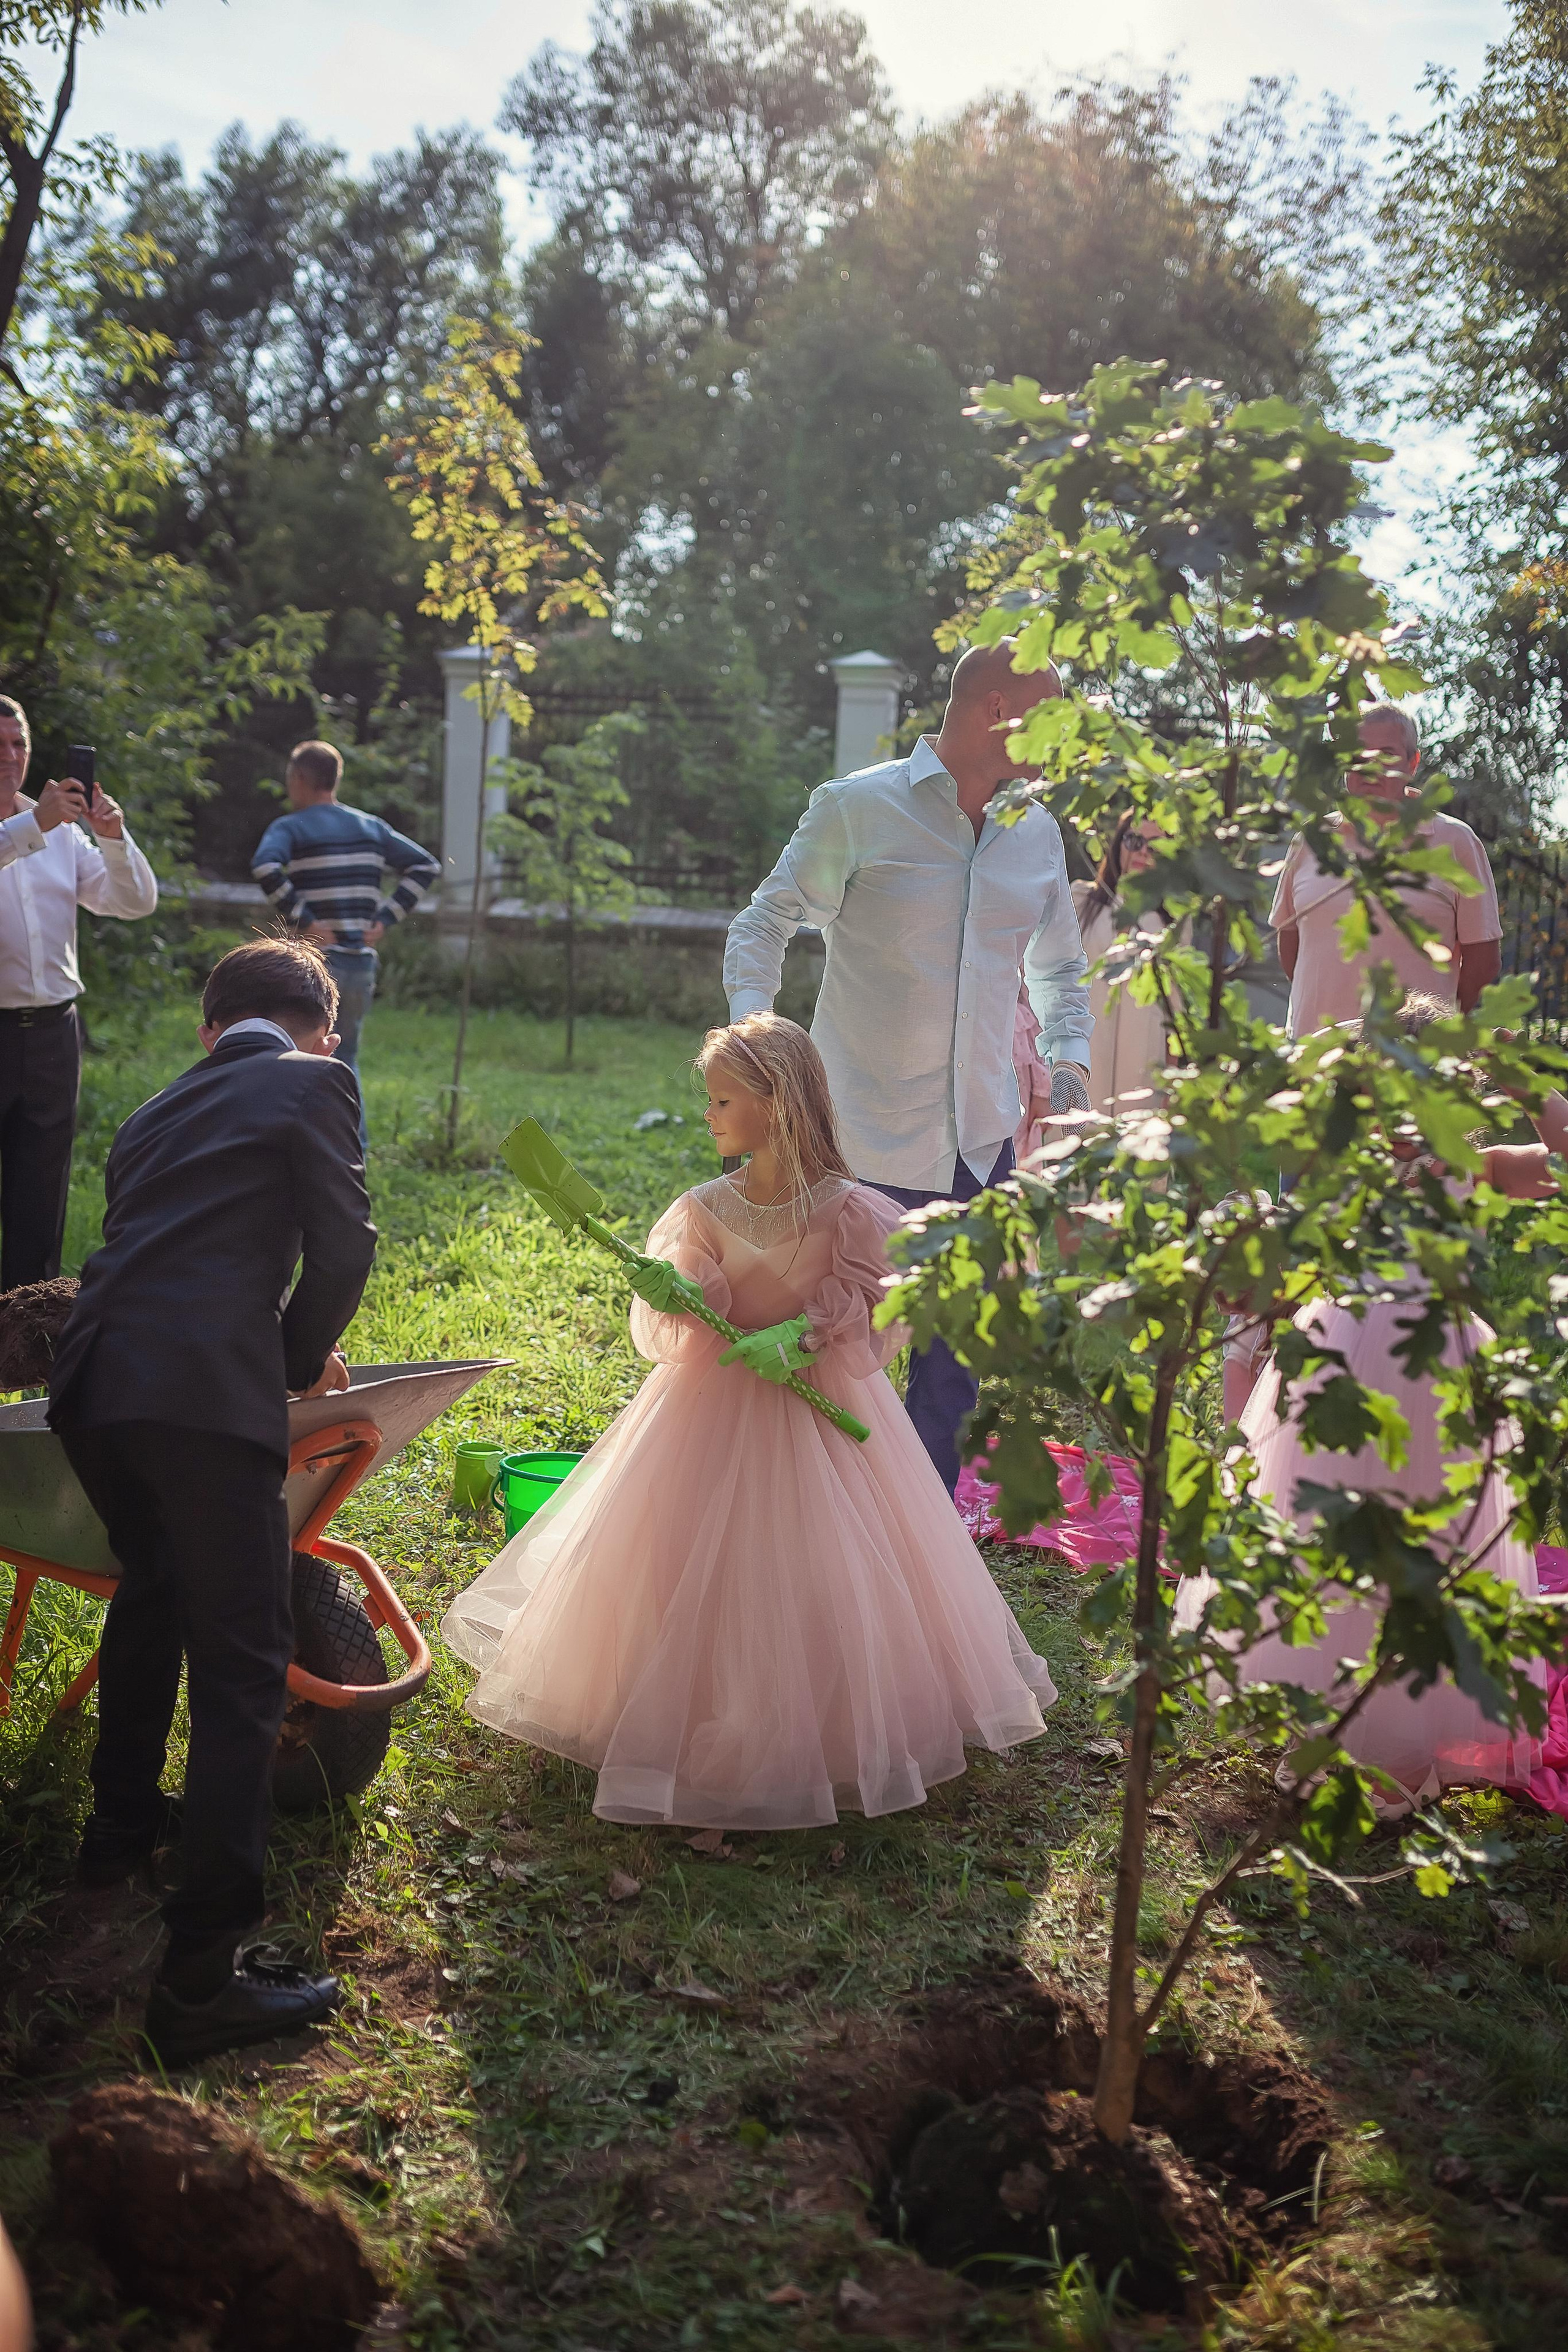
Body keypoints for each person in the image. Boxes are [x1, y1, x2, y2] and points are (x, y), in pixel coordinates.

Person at [442, 1014, 1056, 1828]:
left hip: (822, 1422)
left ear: (778, 1103)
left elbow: (884, 1302)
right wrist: (676, 1292)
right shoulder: (701, 1208)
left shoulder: (851, 1211)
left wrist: (801, 1336)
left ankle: (827, 1719)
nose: (709, 1115)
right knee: (678, 1553)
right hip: (705, 1410)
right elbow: (684, 1303)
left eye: (723, 1100)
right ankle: (672, 1704)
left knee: (820, 1560)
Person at [47, 938, 377, 2064]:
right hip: (200, 1394)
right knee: (243, 1665)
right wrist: (289, 1364)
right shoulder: (317, 1080)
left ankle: (117, 1836)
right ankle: (200, 1976)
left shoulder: (149, 1115)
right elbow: (344, 1249)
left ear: (209, 1032)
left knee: (152, 1593)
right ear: (322, 1029)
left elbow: (158, 1249)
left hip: (91, 1388)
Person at [723, 641, 1092, 1491]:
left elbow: (1061, 969)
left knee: (954, 1362)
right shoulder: (859, 808)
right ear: (999, 709)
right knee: (821, 1343)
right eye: (1054, 712)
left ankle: (924, 1538)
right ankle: (806, 1512)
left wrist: (1068, 1062)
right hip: (857, 1140)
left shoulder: (1036, 831)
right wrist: (755, 1040)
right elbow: (765, 922)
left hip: (983, 1140)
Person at [1185, 997, 1551, 1811]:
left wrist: (1528, 1080)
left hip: (1440, 1367)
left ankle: (1398, 1730)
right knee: (1337, 1535)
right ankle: (1335, 1721)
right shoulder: (1351, 1164)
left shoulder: (1477, 1165)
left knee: (1430, 1533)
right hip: (1350, 1366)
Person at [0, 695, 158, 1291]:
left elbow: (134, 901)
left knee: (41, 1201)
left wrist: (114, 838)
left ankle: (19, 1353)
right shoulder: (39, 825)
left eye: (19, 743)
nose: (12, 757)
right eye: (0, 745)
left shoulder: (62, 834)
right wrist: (30, 826)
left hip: (51, 1035)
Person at [1270, 703, 1502, 1038]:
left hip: (1413, 1062)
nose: (1370, 767)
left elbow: (1483, 961)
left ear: (1412, 763)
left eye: (1387, 754)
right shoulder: (1310, 840)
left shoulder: (1456, 842)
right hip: (1313, 1058)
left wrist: (1435, 1030)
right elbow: (1289, 938)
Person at [251, 739, 439, 1144]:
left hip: (314, 965)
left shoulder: (291, 827)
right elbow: (426, 865)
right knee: (345, 1058)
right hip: (359, 964)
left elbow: (265, 866)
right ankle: (357, 1149)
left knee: (298, 1057)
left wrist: (306, 919)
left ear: (300, 778)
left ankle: (300, 1145)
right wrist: (386, 918)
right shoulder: (371, 827)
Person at [1069, 813, 1170, 1113]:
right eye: (1135, 841)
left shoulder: (1170, 922)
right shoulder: (1081, 902)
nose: (1142, 852)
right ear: (1118, 845)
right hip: (1083, 1048)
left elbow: (1174, 1009)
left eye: (1155, 847)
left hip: (1142, 1052)